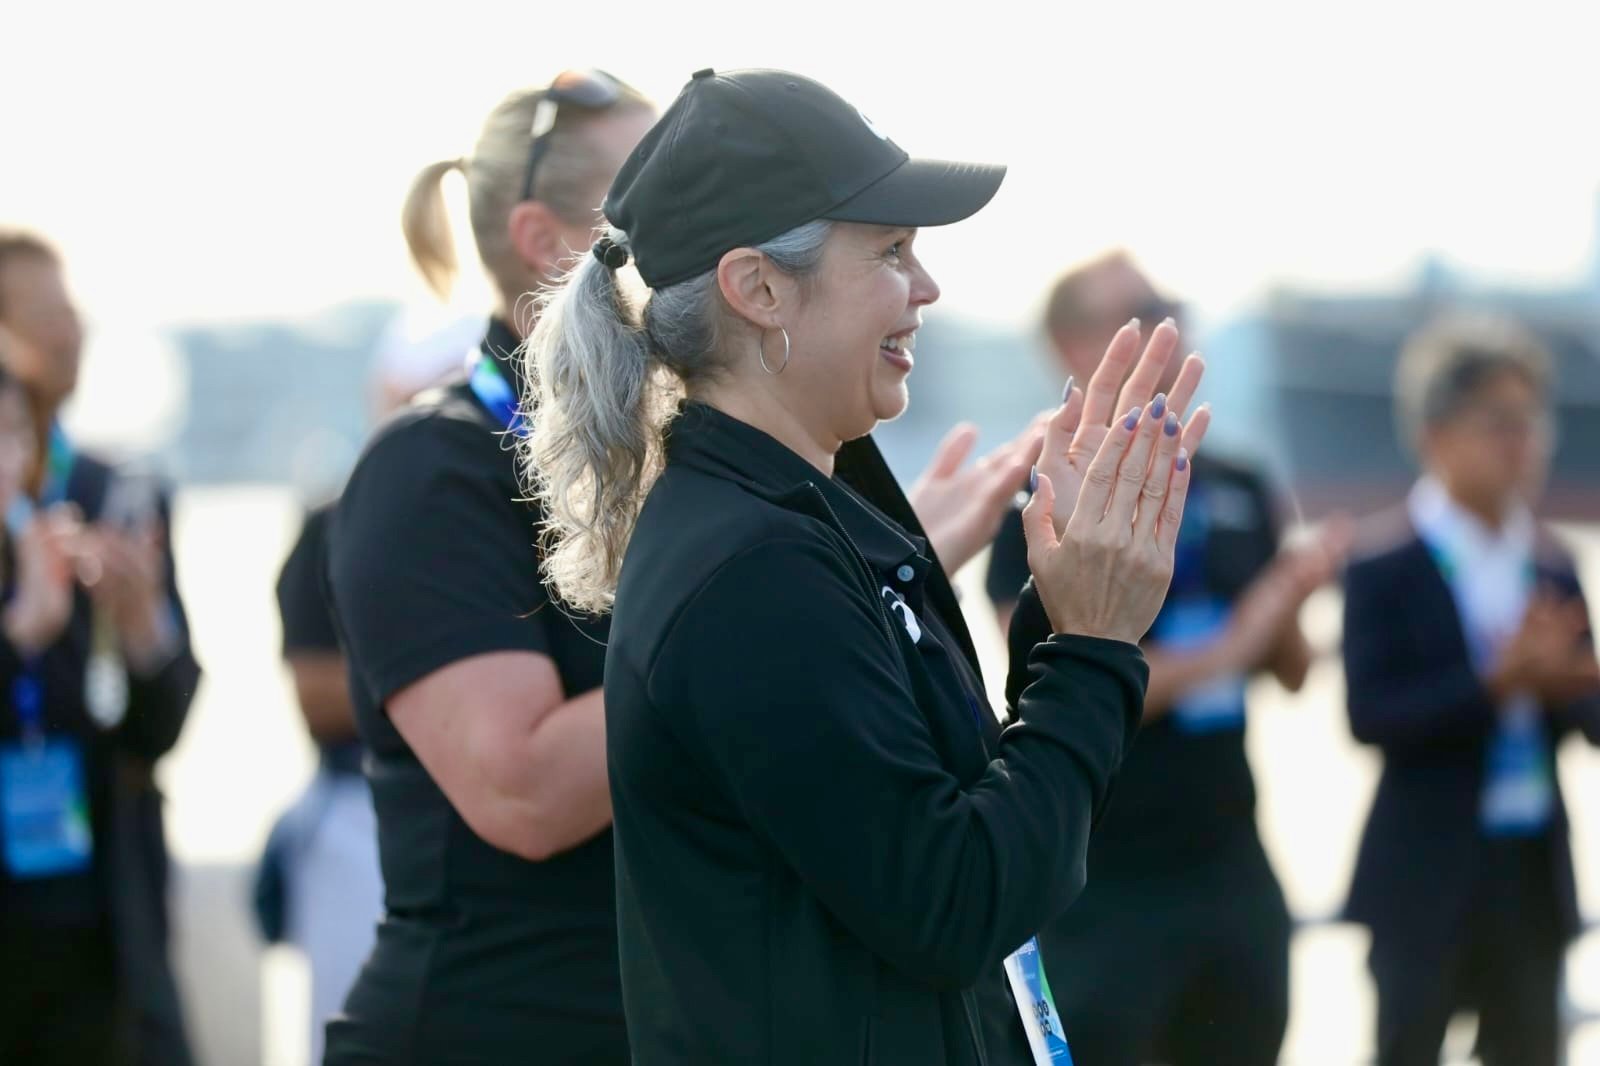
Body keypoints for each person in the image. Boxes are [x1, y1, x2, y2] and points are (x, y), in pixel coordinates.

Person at [525, 67, 1211, 1066]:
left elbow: (960, 809)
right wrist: (1098, 645)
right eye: (890, 251)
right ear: (758, 288)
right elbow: (959, 899)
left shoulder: (796, 517)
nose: (926, 287)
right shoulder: (751, 571)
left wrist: (1065, 613)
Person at [322, 71, 658, 1065]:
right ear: (548, 240)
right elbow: (523, 794)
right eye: (659, 201)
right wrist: (771, 608)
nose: (710, 231)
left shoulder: (649, 456)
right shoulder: (430, 468)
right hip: (484, 1029)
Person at [984, 251, 1349, 1065]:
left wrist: (1294, 593)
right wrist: (1247, 630)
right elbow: (1060, 686)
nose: (1164, 327)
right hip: (1102, 882)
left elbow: (1293, 672)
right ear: (1072, 347)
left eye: (1168, 307)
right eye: (1138, 311)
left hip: (1231, 862)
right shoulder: (1036, 498)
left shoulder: (1233, 479)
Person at [1342, 313, 1600, 1066]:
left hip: (1529, 867)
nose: (1524, 444)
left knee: (1531, 1048)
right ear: (1436, 434)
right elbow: (1368, 716)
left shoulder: (1553, 561)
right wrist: (1499, 684)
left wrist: (1569, 685)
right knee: (1407, 1047)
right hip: (1425, 870)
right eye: (1499, 423)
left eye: (1532, 422)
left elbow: (1583, 712)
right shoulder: (1384, 561)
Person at [0, 231, 201, 1065]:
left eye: (70, 311)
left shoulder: (114, 493)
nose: (67, 334)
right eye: (40, 316)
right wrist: (21, 636)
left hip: (103, 915)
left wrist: (144, 624)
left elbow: (157, 730)